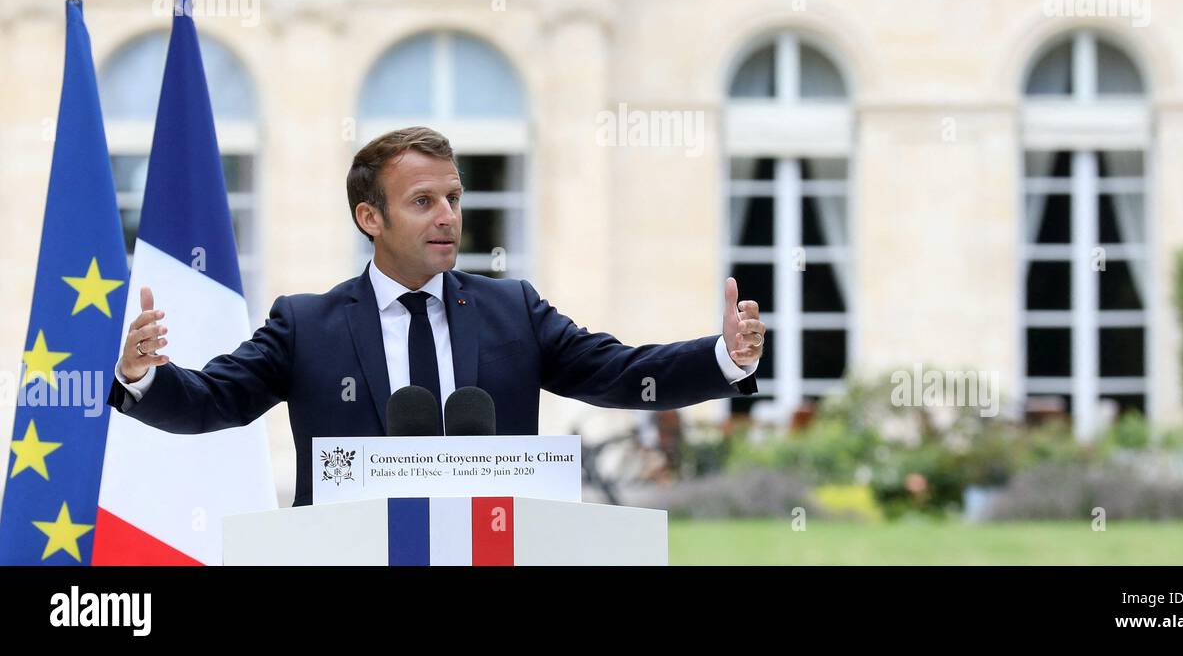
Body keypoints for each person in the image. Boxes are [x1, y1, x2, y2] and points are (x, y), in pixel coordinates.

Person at [110, 126, 765, 506]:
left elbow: (620, 372)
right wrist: (143, 376)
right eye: (423, 200)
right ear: (372, 217)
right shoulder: (307, 325)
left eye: (453, 195)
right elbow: (212, 401)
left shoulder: (513, 310)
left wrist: (725, 357)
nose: (448, 214)